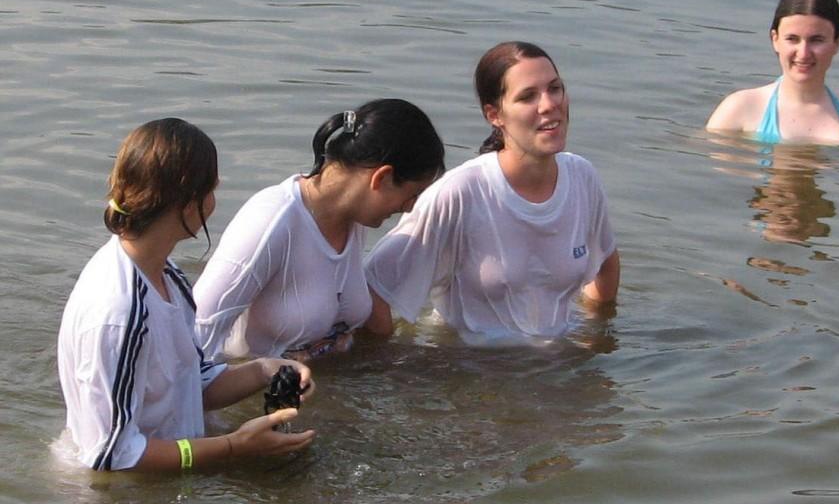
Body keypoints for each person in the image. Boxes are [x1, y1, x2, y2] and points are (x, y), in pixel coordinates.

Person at [57, 118, 315, 472]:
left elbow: (187, 384)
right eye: (211, 189)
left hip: (167, 483)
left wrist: (264, 370)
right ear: (188, 202)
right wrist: (232, 447)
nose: (214, 201)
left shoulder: (167, 275)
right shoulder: (119, 312)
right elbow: (111, 456)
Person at [364, 41, 621, 344]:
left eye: (555, 88)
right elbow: (374, 286)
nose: (550, 104)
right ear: (494, 115)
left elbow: (605, 260)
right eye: (528, 96)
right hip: (475, 376)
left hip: (558, 371)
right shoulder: (459, 193)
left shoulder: (582, 177)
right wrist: (396, 370)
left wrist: (595, 336)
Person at [194, 98, 445, 362]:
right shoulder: (272, 221)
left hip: (331, 384)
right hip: (269, 394)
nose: (409, 208)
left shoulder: (353, 219)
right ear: (381, 177)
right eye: (412, 195)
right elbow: (198, 331)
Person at [706, 0, 839, 144]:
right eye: (792, 39)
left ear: (837, 42)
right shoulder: (740, 108)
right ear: (775, 40)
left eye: (817, 40)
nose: (804, 53)